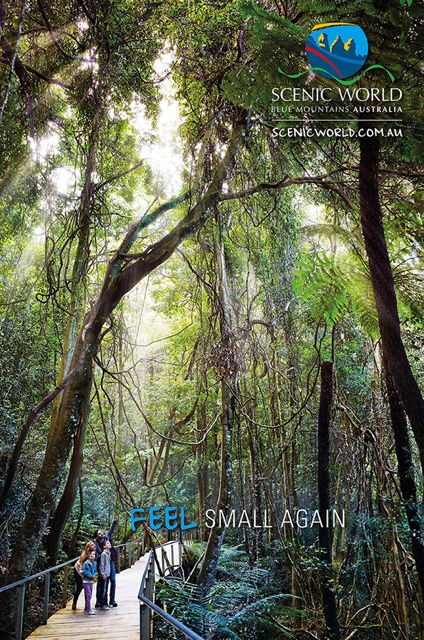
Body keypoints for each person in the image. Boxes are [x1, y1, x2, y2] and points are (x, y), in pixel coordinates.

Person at [94, 515, 118, 607]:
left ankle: (112, 600)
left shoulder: (106, 538)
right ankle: (101, 601)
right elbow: (96, 554)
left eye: (101, 533)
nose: (101, 534)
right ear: (96, 536)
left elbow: (111, 531)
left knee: (113, 581)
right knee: (102, 583)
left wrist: (114, 522)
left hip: (110, 562)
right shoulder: (96, 543)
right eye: (99, 533)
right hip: (101, 564)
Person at [72, 541, 96, 610]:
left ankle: (87, 606)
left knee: (87, 587)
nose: (94, 545)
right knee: (79, 587)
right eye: (92, 545)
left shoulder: (93, 553)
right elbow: (81, 567)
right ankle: (74, 602)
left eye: (93, 544)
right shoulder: (85, 554)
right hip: (78, 570)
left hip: (86, 572)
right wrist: (85, 575)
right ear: (88, 547)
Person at [81, 549, 97, 616]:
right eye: (90, 554)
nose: (91, 555)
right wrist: (91, 575)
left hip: (91, 582)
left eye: (93, 554)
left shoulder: (94, 563)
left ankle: (86, 608)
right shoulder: (86, 563)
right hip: (86, 581)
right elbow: (84, 571)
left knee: (89, 595)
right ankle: (88, 609)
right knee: (89, 595)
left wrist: (93, 575)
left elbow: (95, 571)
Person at [99, 539, 113, 610]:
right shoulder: (103, 554)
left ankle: (106, 603)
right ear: (104, 546)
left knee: (106, 589)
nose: (109, 544)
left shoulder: (109, 553)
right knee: (103, 590)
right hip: (104, 575)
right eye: (107, 543)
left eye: (109, 543)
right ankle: (102, 604)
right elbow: (101, 564)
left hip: (108, 574)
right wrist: (103, 574)